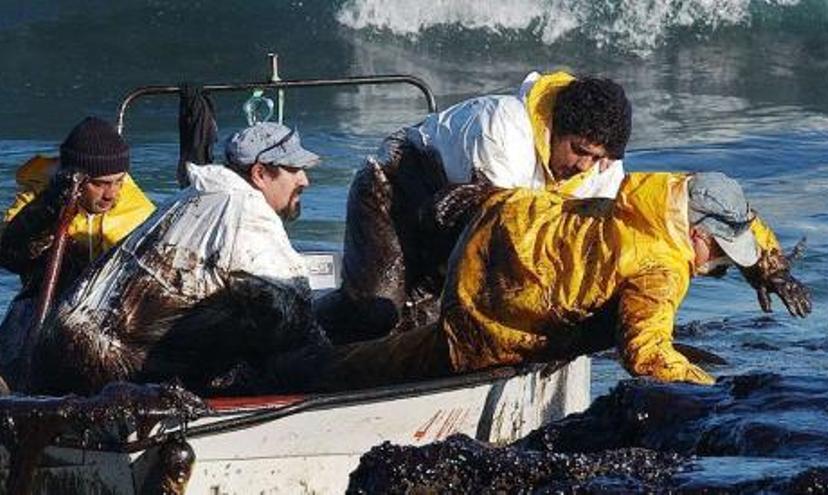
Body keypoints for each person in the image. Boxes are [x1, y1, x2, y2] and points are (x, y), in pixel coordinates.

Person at [266, 172, 811, 391]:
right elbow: (645, 355)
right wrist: (717, 393)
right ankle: (275, 376)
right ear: (694, 231)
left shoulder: (662, 195)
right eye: (715, 249)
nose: (715, 261)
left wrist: (770, 265)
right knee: (400, 361)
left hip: (507, 217)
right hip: (496, 307)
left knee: (397, 339)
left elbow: (745, 217)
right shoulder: (661, 267)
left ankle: (294, 352)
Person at [317, 71, 633, 343]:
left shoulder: (602, 168)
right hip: (397, 188)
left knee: (422, 324)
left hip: (454, 216)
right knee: (376, 312)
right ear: (555, 125)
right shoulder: (503, 128)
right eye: (579, 151)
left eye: (598, 157)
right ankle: (301, 335)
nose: (584, 166)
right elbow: (499, 242)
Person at [25, 121, 328, 395]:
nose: (305, 180)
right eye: (293, 169)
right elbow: (294, 322)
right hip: (108, 374)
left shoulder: (192, 196)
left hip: (56, 351)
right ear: (260, 174)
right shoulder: (245, 213)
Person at [0, 117, 155, 381]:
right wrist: (49, 208)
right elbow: (9, 254)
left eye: (118, 181)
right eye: (100, 183)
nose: (111, 194)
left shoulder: (139, 209)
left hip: (114, 319)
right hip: (44, 312)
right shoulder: (39, 199)